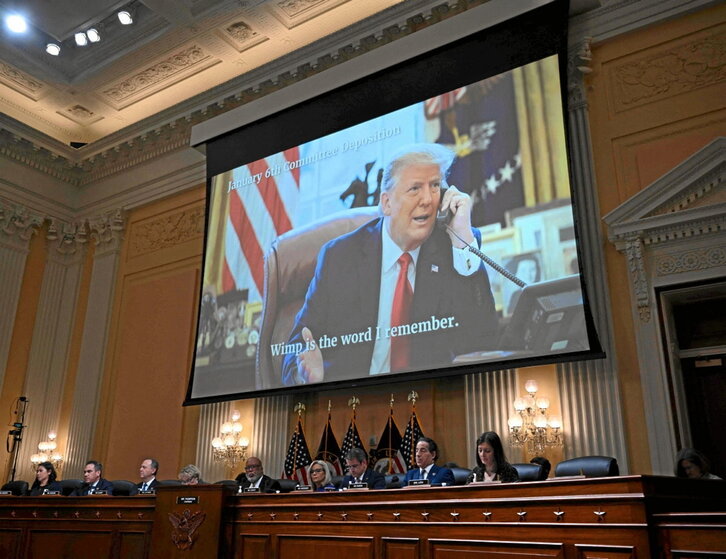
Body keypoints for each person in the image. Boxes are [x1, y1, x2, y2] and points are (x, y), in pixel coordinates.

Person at [282, 143, 498, 385]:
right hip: (353, 400)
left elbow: (485, 338)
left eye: (435, 186)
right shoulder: (340, 257)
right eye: (415, 188)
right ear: (386, 203)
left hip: (431, 398)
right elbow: (298, 343)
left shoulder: (455, 245)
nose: (428, 199)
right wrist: (304, 375)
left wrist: (462, 242)